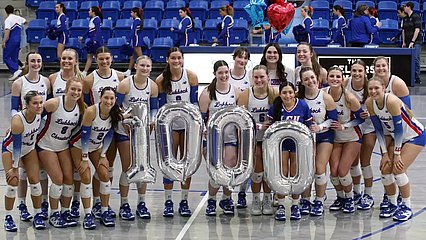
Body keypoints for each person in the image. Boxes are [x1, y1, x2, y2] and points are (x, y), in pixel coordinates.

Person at [366, 76, 425, 221]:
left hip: (414, 136)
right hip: (395, 137)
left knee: (398, 170)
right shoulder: (369, 103)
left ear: (384, 88)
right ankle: (392, 204)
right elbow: (379, 130)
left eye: (376, 88)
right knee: (385, 170)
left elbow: (399, 130)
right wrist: (385, 154)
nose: (373, 91)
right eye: (370, 89)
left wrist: (396, 154)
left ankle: (406, 206)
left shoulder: (391, 101)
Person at [156, 47, 199, 217]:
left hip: (188, 126)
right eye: (173, 58)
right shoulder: (161, 80)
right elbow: (160, 108)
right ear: (167, 60)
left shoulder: (191, 76)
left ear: (182, 59)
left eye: (179, 58)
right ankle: (168, 201)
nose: (176, 61)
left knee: (187, 162)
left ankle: (184, 201)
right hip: (170, 127)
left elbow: (194, 104)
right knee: (169, 162)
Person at [36, 78, 84, 228]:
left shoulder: (81, 108)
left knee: (69, 179)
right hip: (45, 144)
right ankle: (54, 214)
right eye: (73, 89)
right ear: (66, 89)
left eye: (79, 90)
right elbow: (33, 113)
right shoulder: (54, 103)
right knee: (58, 179)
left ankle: (65, 212)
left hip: (63, 146)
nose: (76, 92)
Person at [82, 46, 124, 219]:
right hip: (92, 128)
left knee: (107, 167)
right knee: (89, 170)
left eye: (107, 58)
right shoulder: (90, 80)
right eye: (101, 59)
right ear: (96, 60)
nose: (104, 61)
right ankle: (97, 202)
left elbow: (120, 102)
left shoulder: (120, 77)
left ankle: (104, 204)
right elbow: (84, 104)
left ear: (111, 59)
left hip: (110, 128)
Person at [71, 87, 122, 227]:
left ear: (115, 100)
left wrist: (103, 154)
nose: (109, 101)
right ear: (100, 98)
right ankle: (87, 215)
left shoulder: (115, 113)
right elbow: (84, 135)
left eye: (112, 98)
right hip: (79, 146)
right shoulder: (91, 111)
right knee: (86, 175)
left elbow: (109, 135)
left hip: (97, 146)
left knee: (105, 174)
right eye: (106, 98)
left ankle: (103, 210)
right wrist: (85, 158)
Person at [115, 56, 158, 220]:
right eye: (142, 65)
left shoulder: (152, 86)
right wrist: (126, 121)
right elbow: (117, 108)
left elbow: (153, 109)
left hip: (142, 133)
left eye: (148, 66)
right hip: (124, 131)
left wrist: (151, 122)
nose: (145, 68)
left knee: (143, 167)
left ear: (151, 68)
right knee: (128, 167)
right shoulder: (125, 84)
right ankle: (124, 203)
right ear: (136, 67)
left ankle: (141, 203)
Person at [263, 81, 313, 221]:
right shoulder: (276, 106)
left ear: (295, 92)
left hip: (299, 146)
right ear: (280, 93)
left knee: (296, 173)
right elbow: (271, 126)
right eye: (284, 92)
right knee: (282, 173)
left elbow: (309, 126)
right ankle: (281, 205)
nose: (287, 95)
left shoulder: (302, 105)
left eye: (290, 92)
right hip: (281, 145)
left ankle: (295, 205)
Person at [11, 52, 51, 222]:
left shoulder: (46, 81)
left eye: (38, 61)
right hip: (25, 129)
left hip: (40, 130)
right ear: (27, 63)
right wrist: (15, 123)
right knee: (23, 171)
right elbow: (13, 108)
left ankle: (43, 203)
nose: (36, 64)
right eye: (32, 61)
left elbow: (46, 107)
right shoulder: (19, 83)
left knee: (40, 169)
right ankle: (21, 204)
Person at [199, 60, 241, 216]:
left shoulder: (235, 92)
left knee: (229, 169)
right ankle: (211, 200)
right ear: (214, 74)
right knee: (216, 172)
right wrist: (204, 130)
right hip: (212, 139)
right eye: (220, 73)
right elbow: (201, 117)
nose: (224, 76)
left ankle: (226, 198)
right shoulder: (207, 93)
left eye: (226, 72)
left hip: (230, 137)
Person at [296, 67, 337, 216]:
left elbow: (333, 119)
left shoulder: (325, 97)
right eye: (306, 79)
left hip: (324, 136)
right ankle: (305, 199)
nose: (310, 81)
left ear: (317, 79)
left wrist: (320, 127)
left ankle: (319, 200)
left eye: (312, 78)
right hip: (305, 138)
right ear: (302, 82)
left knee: (319, 168)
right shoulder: (298, 99)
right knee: (306, 168)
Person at [2, 91, 45, 231]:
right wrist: (14, 168)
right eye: (35, 103)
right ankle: (8, 217)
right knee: (13, 181)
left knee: (35, 180)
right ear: (27, 105)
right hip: (11, 150)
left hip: (29, 148)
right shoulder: (18, 120)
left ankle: (38, 215)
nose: (39, 106)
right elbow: (16, 147)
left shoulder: (40, 113)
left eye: (40, 102)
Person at [237, 65, 275, 216]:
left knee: (268, 171)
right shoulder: (246, 94)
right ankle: (256, 199)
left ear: (268, 78)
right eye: (256, 77)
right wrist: (258, 125)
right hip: (253, 138)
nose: (259, 80)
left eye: (262, 77)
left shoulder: (274, 94)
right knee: (257, 171)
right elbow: (241, 119)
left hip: (270, 139)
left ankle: (267, 198)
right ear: (252, 79)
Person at [326, 66, 364, 213]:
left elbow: (360, 119)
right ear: (327, 78)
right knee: (334, 172)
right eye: (332, 76)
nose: (335, 79)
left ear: (342, 80)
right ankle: (340, 197)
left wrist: (345, 125)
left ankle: (350, 198)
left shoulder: (349, 97)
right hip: (334, 138)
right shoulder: (323, 94)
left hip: (352, 137)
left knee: (343, 171)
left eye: (338, 76)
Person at [345, 60, 376, 210]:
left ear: (365, 72)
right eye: (354, 70)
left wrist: (371, 112)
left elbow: (378, 102)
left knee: (365, 162)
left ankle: (368, 194)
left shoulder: (370, 86)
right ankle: (357, 192)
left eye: (360, 71)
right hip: (353, 126)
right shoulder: (346, 83)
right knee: (353, 162)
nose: (357, 73)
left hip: (369, 127)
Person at [3, 5, 26, 81]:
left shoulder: (8, 20)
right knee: (14, 57)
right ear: (13, 10)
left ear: (6, 12)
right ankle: (16, 75)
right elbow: (25, 21)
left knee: (6, 57)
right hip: (18, 40)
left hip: (11, 40)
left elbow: (7, 32)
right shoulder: (18, 18)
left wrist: (4, 41)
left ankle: (15, 70)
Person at [402, 1, 422, 84]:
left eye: (405, 7)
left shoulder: (416, 16)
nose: (404, 8)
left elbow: (417, 30)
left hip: (416, 41)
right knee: (407, 59)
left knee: (415, 58)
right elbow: (403, 30)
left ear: (409, 7)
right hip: (407, 41)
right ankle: (409, 76)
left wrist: (412, 41)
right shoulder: (405, 18)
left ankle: (417, 77)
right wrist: (403, 42)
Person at [81, 6, 103, 76]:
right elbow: (88, 30)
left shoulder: (97, 19)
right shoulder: (92, 19)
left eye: (90, 10)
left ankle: (86, 72)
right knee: (90, 56)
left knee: (98, 57)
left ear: (93, 12)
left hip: (96, 41)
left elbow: (98, 31)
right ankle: (85, 72)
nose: (88, 12)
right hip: (92, 40)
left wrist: (95, 40)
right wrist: (83, 37)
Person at [123, 7, 144, 77]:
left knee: (140, 57)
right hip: (136, 39)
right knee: (133, 56)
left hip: (136, 40)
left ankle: (145, 70)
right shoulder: (137, 20)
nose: (130, 14)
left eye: (131, 12)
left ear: (135, 13)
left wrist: (128, 41)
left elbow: (132, 32)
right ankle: (128, 71)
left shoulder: (136, 21)